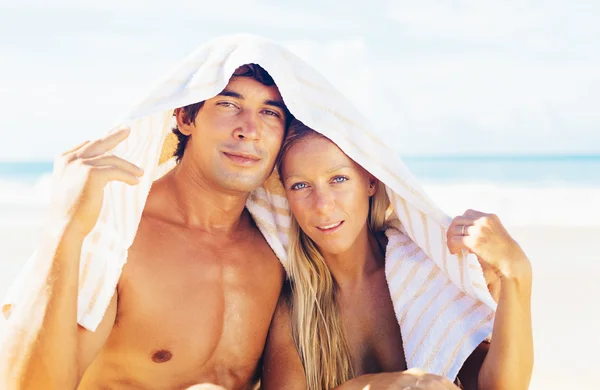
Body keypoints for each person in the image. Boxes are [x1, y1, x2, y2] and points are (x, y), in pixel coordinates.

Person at [0, 64, 290, 389]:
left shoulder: (280, 251)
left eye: (270, 112)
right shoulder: (118, 237)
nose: (249, 130)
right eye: (229, 104)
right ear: (184, 118)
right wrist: (63, 228)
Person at [262, 120, 534, 390]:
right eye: (300, 186)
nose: (322, 205)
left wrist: (516, 274)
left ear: (370, 181)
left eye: (338, 179)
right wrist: (382, 384)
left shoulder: (430, 272)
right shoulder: (297, 311)